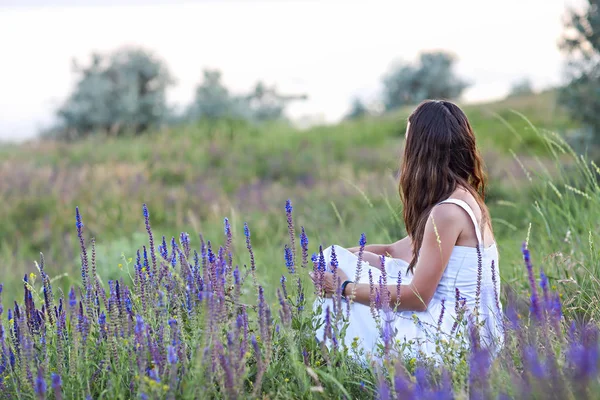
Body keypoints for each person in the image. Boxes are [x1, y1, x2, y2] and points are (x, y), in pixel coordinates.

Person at [310, 100, 504, 360]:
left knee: (340, 293)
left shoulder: (447, 213)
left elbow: (418, 297)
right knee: (333, 258)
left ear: (420, 150)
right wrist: (338, 257)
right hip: (472, 333)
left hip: (452, 342)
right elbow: (393, 251)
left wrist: (344, 287)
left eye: (407, 142)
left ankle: (332, 368)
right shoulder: (463, 198)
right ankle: (336, 362)